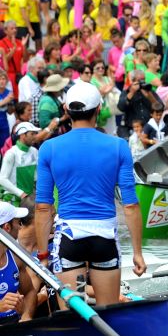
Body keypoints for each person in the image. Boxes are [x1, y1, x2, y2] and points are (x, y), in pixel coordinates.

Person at [35, 82, 145, 307]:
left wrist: (44, 255)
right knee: (108, 310)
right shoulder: (119, 146)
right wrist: (137, 253)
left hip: (69, 240)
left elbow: (43, 208)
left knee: (74, 312)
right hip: (104, 239)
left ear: (66, 110)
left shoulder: (49, 148)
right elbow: (130, 205)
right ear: (98, 109)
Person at [0, 203, 36, 324]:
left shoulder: (16, 256)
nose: (20, 227)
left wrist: (26, 316)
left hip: (13, 324)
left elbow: (29, 291)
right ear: (7, 227)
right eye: (18, 223)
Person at [0, 122, 39, 207]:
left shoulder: (34, 151)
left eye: (35, 133)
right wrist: (21, 194)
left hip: (30, 197)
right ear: (22, 135)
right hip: (13, 198)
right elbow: (2, 179)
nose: (35, 136)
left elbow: (36, 176)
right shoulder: (11, 153)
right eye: (32, 134)